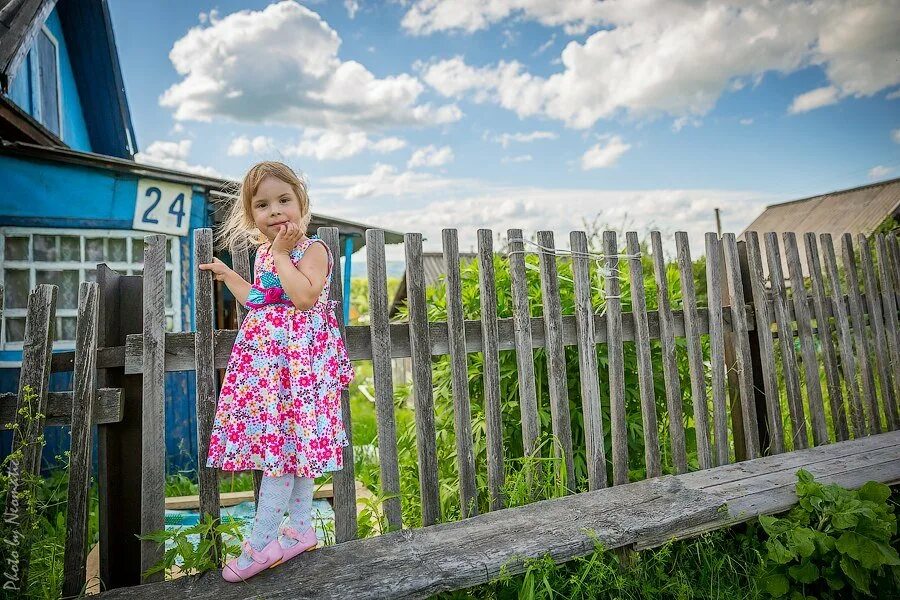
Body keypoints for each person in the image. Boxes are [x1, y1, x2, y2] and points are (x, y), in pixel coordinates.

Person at [199, 161, 354, 582]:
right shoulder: (267, 254)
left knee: (285, 451)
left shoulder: (315, 249)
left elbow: (303, 297)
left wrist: (284, 254)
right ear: (253, 217)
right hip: (273, 370)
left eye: (284, 200)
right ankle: (300, 529)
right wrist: (230, 274)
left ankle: (262, 542)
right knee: (291, 445)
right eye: (263, 205)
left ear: (302, 205)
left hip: (301, 366)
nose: (275, 211)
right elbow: (260, 299)